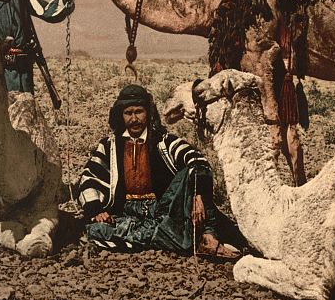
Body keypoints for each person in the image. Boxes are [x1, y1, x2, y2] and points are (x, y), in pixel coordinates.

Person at [77, 84, 240, 258]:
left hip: (165, 209)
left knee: (193, 171)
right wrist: (96, 210)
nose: (134, 119)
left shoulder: (164, 142)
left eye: (139, 111)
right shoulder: (109, 146)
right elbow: (89, 177)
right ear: (120, 115)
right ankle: (182, 240)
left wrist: (197, 193)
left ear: (148, 113)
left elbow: (197, 161)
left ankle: (207, 236)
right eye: (128, 113)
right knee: (95, 230)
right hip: (126, 213)